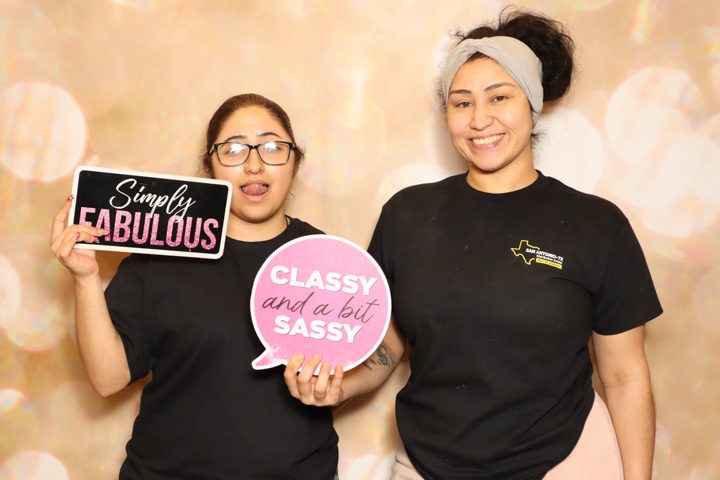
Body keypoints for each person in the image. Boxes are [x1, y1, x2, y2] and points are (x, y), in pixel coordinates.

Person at [284, 10, 661, 480]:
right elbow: (389, 343)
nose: (480, 119)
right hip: (427, 464)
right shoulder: (407, 214)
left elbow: (625, 376)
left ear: (532, 103)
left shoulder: (597, 225)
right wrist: (341, 387)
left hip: (564, 461)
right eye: (461, 103)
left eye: (499, 97)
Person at [51, 93, 338, 479]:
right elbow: (107, 378)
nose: (254, 165)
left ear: (295, 161)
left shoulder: (329, 261)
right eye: (233, 150)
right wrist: (85, 278)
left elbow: (361, 364)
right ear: (210, 166)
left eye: (272, 147)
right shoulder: (162, 254)